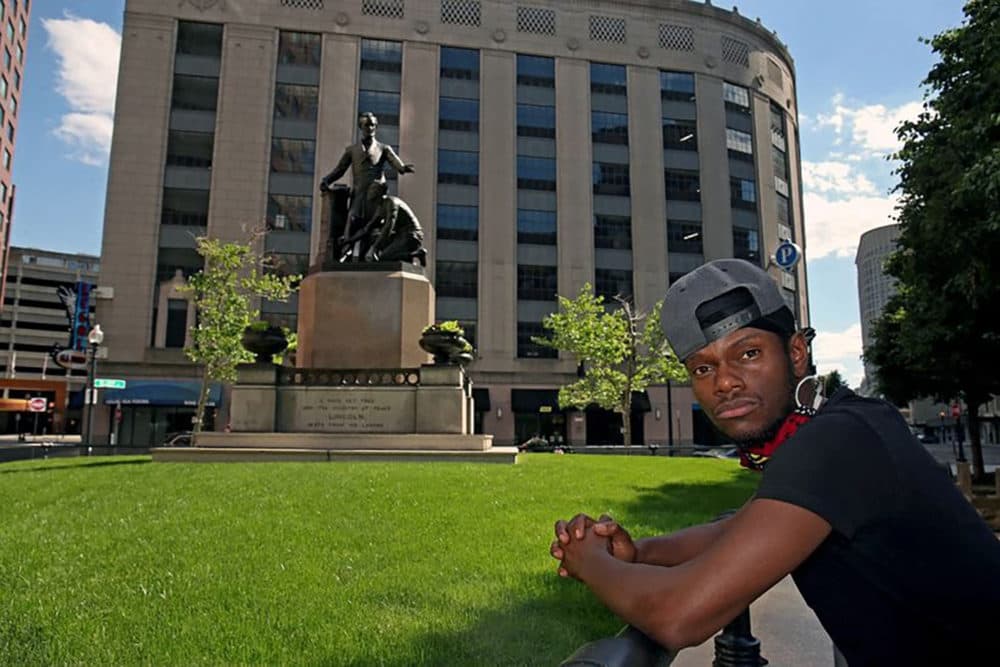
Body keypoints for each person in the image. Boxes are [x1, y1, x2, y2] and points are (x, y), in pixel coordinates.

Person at [550, 258, 1000, 664]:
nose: (724, 382)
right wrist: (640, 552)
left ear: (796, 352)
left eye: (747, 354)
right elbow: (736, 529)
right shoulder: (830, 429)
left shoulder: (838, 440)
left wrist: (589, 560)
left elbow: (678, 616)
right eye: (702, 368)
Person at [319, 111, 414, 242]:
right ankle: (346, 245)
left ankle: (374, 250)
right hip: (359, 193)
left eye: (372, 125)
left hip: (375, 193)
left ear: (376, 127)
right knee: (352, 219)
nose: (370, 128)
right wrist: (327, 179)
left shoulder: (383, 148)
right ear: (361, 127)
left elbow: (395, 162)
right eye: (366, 125)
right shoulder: (351, 150)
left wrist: (402, 168)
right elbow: (340, 169)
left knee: (375, 225)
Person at [340, 181, 426, 266]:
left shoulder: (391, 202)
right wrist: (348, 241)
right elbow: (367, 229)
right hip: (399, 235)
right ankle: (408, 257)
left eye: (373, 188)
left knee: (384, 257)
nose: (369, 191)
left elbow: (389, 226)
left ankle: (416, 254)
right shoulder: (380, 207)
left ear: (380, 191)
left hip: (412, 235)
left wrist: (374, 247)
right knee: (373, 238)